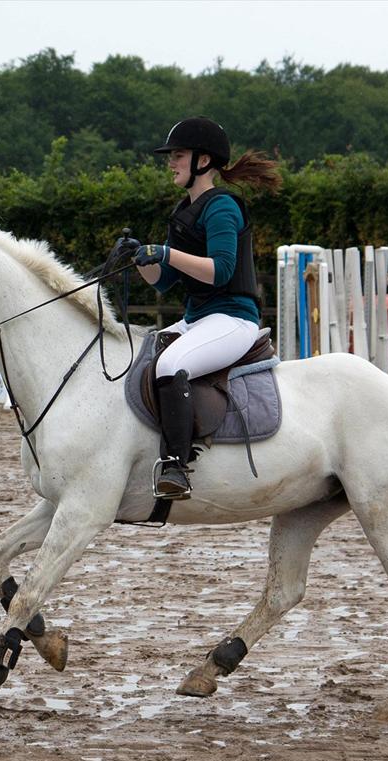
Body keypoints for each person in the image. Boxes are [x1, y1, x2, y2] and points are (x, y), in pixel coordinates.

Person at [128, 117, 282, 499]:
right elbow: (162, 282)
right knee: (139, 357)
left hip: (233, 319)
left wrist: (166, 252)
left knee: (169, 365)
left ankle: (178, 467)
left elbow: (221, 270)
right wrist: (139, 258)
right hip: (198, 319)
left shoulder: (222, 207)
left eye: (178, 155)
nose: (171, 162)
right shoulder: (184, 213)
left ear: (203, 161)